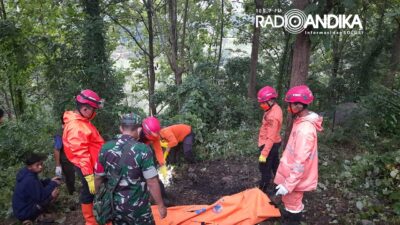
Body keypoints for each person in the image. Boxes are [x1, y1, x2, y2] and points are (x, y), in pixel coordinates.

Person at [95, 113, 167, 224]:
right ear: (139, 130)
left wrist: (98, 197)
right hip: (138, 209)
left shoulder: (105, 148)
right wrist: (161, 206)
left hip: (115, 207)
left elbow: (98, 178)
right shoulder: (143, 149)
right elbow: (152, 181)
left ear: (120, 128)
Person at [274, 85, 323, 225]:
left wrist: (288, 185)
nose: (288, 107)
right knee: (290, 202)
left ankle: (292, 220)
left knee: (293, 205)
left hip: (294, 178)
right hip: (291, 175)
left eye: (290, 104)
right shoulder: (301, 122)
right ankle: (289, 216)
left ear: (299, 105)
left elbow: (300, 162)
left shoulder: (304, 130)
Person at [62, 89, 105, 225]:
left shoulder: (82, 121)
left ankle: (97, 216)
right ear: (85, 109)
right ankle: (91, 221)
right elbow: (81, 154)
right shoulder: (76, 126)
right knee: (89, 192)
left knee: (93, 192)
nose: (95, 113)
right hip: (87, 167)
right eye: (93, 109)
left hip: (92, 164)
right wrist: (89, 176)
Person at [12, 153, 61, 225]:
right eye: (37, 165)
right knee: (52, 194)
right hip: (24, 212)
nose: (40, 166)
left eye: (41, 164)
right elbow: (41, 196)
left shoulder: (27, 173)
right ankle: (34, 218)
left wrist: (50, 181)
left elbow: (38, 185)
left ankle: (37, 215)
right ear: (29, 167)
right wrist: (52, 193)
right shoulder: (29, 179)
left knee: (49, 191)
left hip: (21, 209)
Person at [257, 86, 283, 195]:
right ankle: (279, 186)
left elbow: (270, 137)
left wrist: (264, 153)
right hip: (274, 143)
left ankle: (262, 191)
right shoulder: (273, 108)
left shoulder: (273, 115)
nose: (261, 105)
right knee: (274, 165)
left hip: (269, 145)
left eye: (263, 102)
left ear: (271, 100)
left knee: (264, 169)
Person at [53, 113, 75, 195]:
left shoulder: (72, 130)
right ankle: (72, 194)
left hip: (75, 158)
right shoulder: (60, 133)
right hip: (66, 160)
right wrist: (58, 165)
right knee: (70, 179)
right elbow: (57, 149)